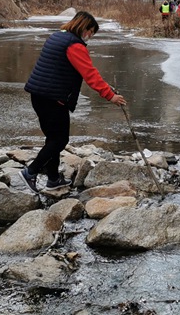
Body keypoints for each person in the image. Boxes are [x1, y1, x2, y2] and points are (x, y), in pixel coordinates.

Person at [23, 11, 127, 191]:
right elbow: (90, 74)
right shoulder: (75, 46)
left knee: (52, 139)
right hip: (53, 99)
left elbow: (65, 67)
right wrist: (110, 96)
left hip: (38, 94)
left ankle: (53, 179)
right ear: (83, 27)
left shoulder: (57, 36)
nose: (90, 36)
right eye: (91, 32)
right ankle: (30, 172)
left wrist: (106, 87)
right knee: (60, 140)